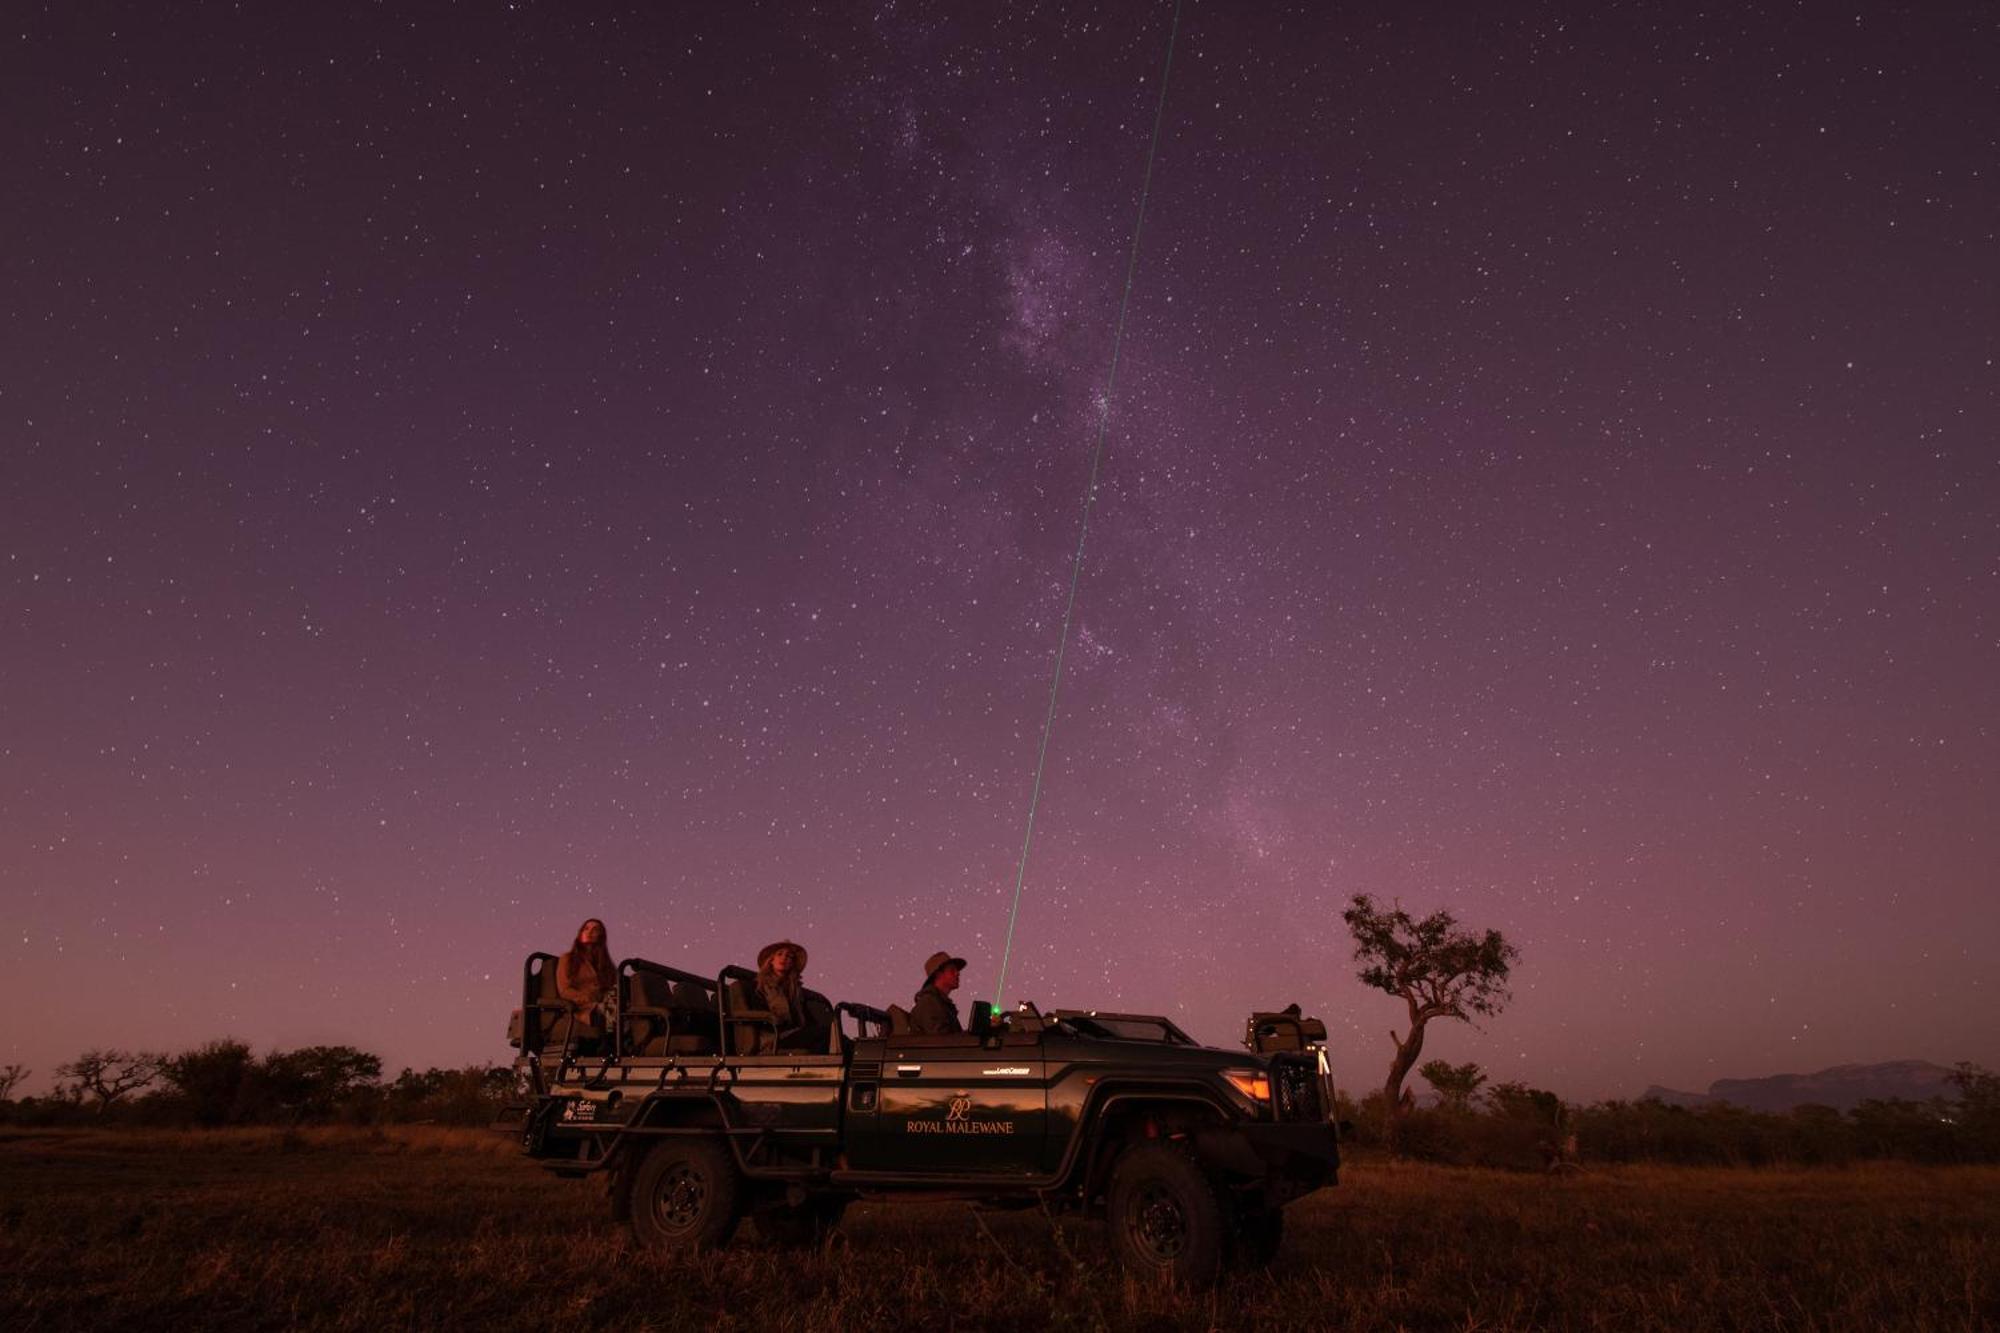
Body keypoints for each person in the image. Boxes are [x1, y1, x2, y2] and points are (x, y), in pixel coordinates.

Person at [556, 918, 615, 1050]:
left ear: (601, 936)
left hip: (607, 1005)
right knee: (608, 1011)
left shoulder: (607, 965)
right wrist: (591, 999)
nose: (589, 932)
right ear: (580, 933)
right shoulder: (568, 959)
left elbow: (614, 988)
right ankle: (609, 1049)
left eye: (595, 929)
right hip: (582, 1008)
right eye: (586, 928)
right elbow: (565, 990)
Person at [910, 951, 966, 1035]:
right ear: (939, 974)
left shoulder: (940, 1004)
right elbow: (942, 1040)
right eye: (952, 970)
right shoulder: (928, 1003)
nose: (958, 973)